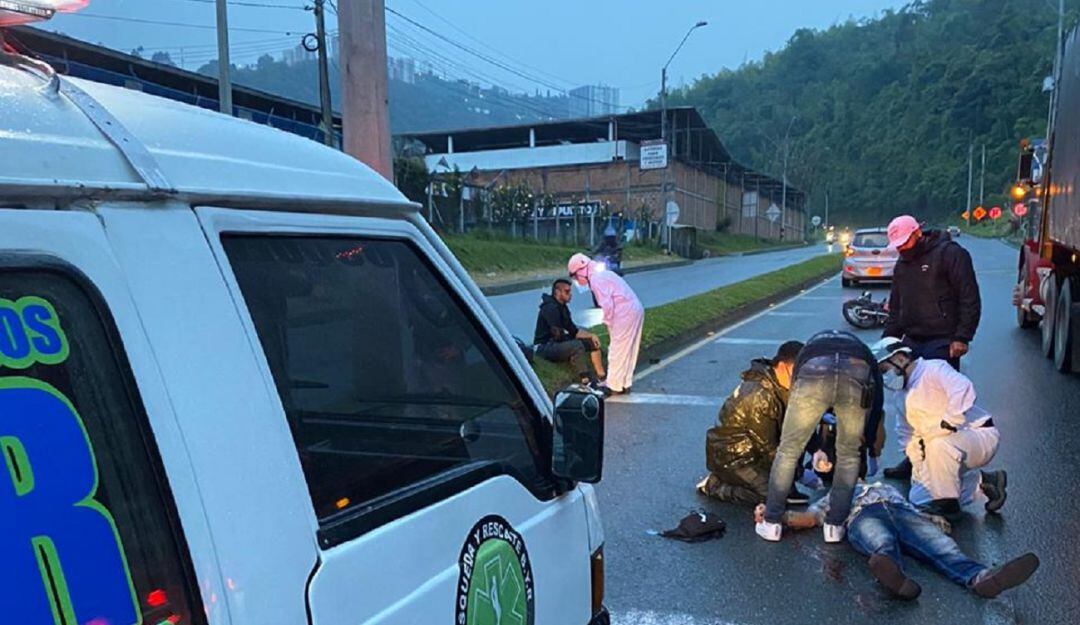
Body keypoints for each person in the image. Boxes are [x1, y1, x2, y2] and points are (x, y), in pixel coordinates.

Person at [755, 482, 1039, 601]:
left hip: (902, 512)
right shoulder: (837, 494)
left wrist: (934, 520)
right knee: (880, 542)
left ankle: (981, 578)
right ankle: (897, 579)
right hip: (862, 515)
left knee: (939, 546)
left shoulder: (884, 487)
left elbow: (917, 510)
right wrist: (778, 516)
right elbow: (812, 517)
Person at [756, 330, 884, 544]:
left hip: (813, 373)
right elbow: (876, 400)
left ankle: (771, 523)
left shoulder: (810, 349)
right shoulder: (863, 352)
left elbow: (799, 400)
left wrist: (814, 447)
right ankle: (834, 527)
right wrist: (869, 445)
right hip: (856, 373)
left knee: (788, 451)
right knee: (849, 455)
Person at [882, 215, 981, 479]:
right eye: (898, 245)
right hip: (913, 339)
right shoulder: (902, 266)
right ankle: (913, 456)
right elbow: (896, 307)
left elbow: (969, 297)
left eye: (905, 242)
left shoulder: (950, 254)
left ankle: (944, 461)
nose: (902, 248)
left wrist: (962, 336)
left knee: (936, 403)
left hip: (943, 340)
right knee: (910, 403)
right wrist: (887, 344)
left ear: (918, 232)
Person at [871, 337, 1007, 518]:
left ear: (901, 358)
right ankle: (984, 483)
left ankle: (948, 507)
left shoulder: (933, 368)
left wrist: (949, 422)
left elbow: (962, 388)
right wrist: (919, 465)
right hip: (943, 451)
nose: (885, 376)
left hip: (977, 436)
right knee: (919, 498)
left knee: (937, 443)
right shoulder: (900, 395)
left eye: (884, 369)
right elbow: (906, 433)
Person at [699, 341, 809, 504]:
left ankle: (785, 486)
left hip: (753, 448)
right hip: (733, 455)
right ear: (782, 366)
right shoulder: (759, 395)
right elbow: (766, 446)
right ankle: (714, 486)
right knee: (771, 496)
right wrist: (797, 472)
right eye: (797, 372)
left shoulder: (778, 385)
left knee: (791, 447)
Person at [568, 253, 644, 395]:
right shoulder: (603, 274)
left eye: (575, 276)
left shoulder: (596, 279)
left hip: (624, 312)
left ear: (581, 270)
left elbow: (607, 305)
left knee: (617, 349)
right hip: (635, 308)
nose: (576, 281)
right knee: (629, 349)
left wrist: (608, 322)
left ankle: (614, 385)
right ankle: (624, 383)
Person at [533, 279, 606, 383]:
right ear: (557, 292)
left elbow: (573, 330)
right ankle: (586, 380)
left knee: (591, 342)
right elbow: (558, 335)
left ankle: (601, 376)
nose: (570, 295)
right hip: (544, 346)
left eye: (570, 291)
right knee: (576, 346)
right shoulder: (550, 308)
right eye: (567, 292)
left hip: (556, 341)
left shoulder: (563, 308)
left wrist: (591, 335)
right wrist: (570, 342)